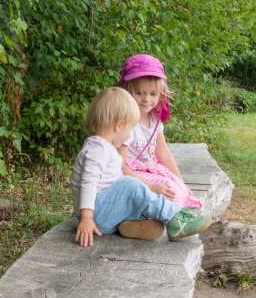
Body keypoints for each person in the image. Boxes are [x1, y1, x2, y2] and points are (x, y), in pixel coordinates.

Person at [72, 86, 211, 246]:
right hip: (96, 216)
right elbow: (88, 183)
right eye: (130, 128)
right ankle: (175, 220)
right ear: (119, 125)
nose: (129, 135)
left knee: (131, 186)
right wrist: (87, 219)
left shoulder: (106, 148)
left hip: (105, 212)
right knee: (130, 184)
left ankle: (130, 224)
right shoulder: (97, 150)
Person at [118, 54, 202, 210]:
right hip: (130, 174)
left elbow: (162, 152)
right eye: (139, 93)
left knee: (174, 188)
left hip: (149, 168)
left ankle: (164, 215)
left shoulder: (154, 120)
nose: (146, 99)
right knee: (163, 193)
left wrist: (181, 181)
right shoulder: (126, 123)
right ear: (127, 91)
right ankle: (144, 220)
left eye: (152, 94)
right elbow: (120, 166)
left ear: (160, 94)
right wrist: (149, 185)